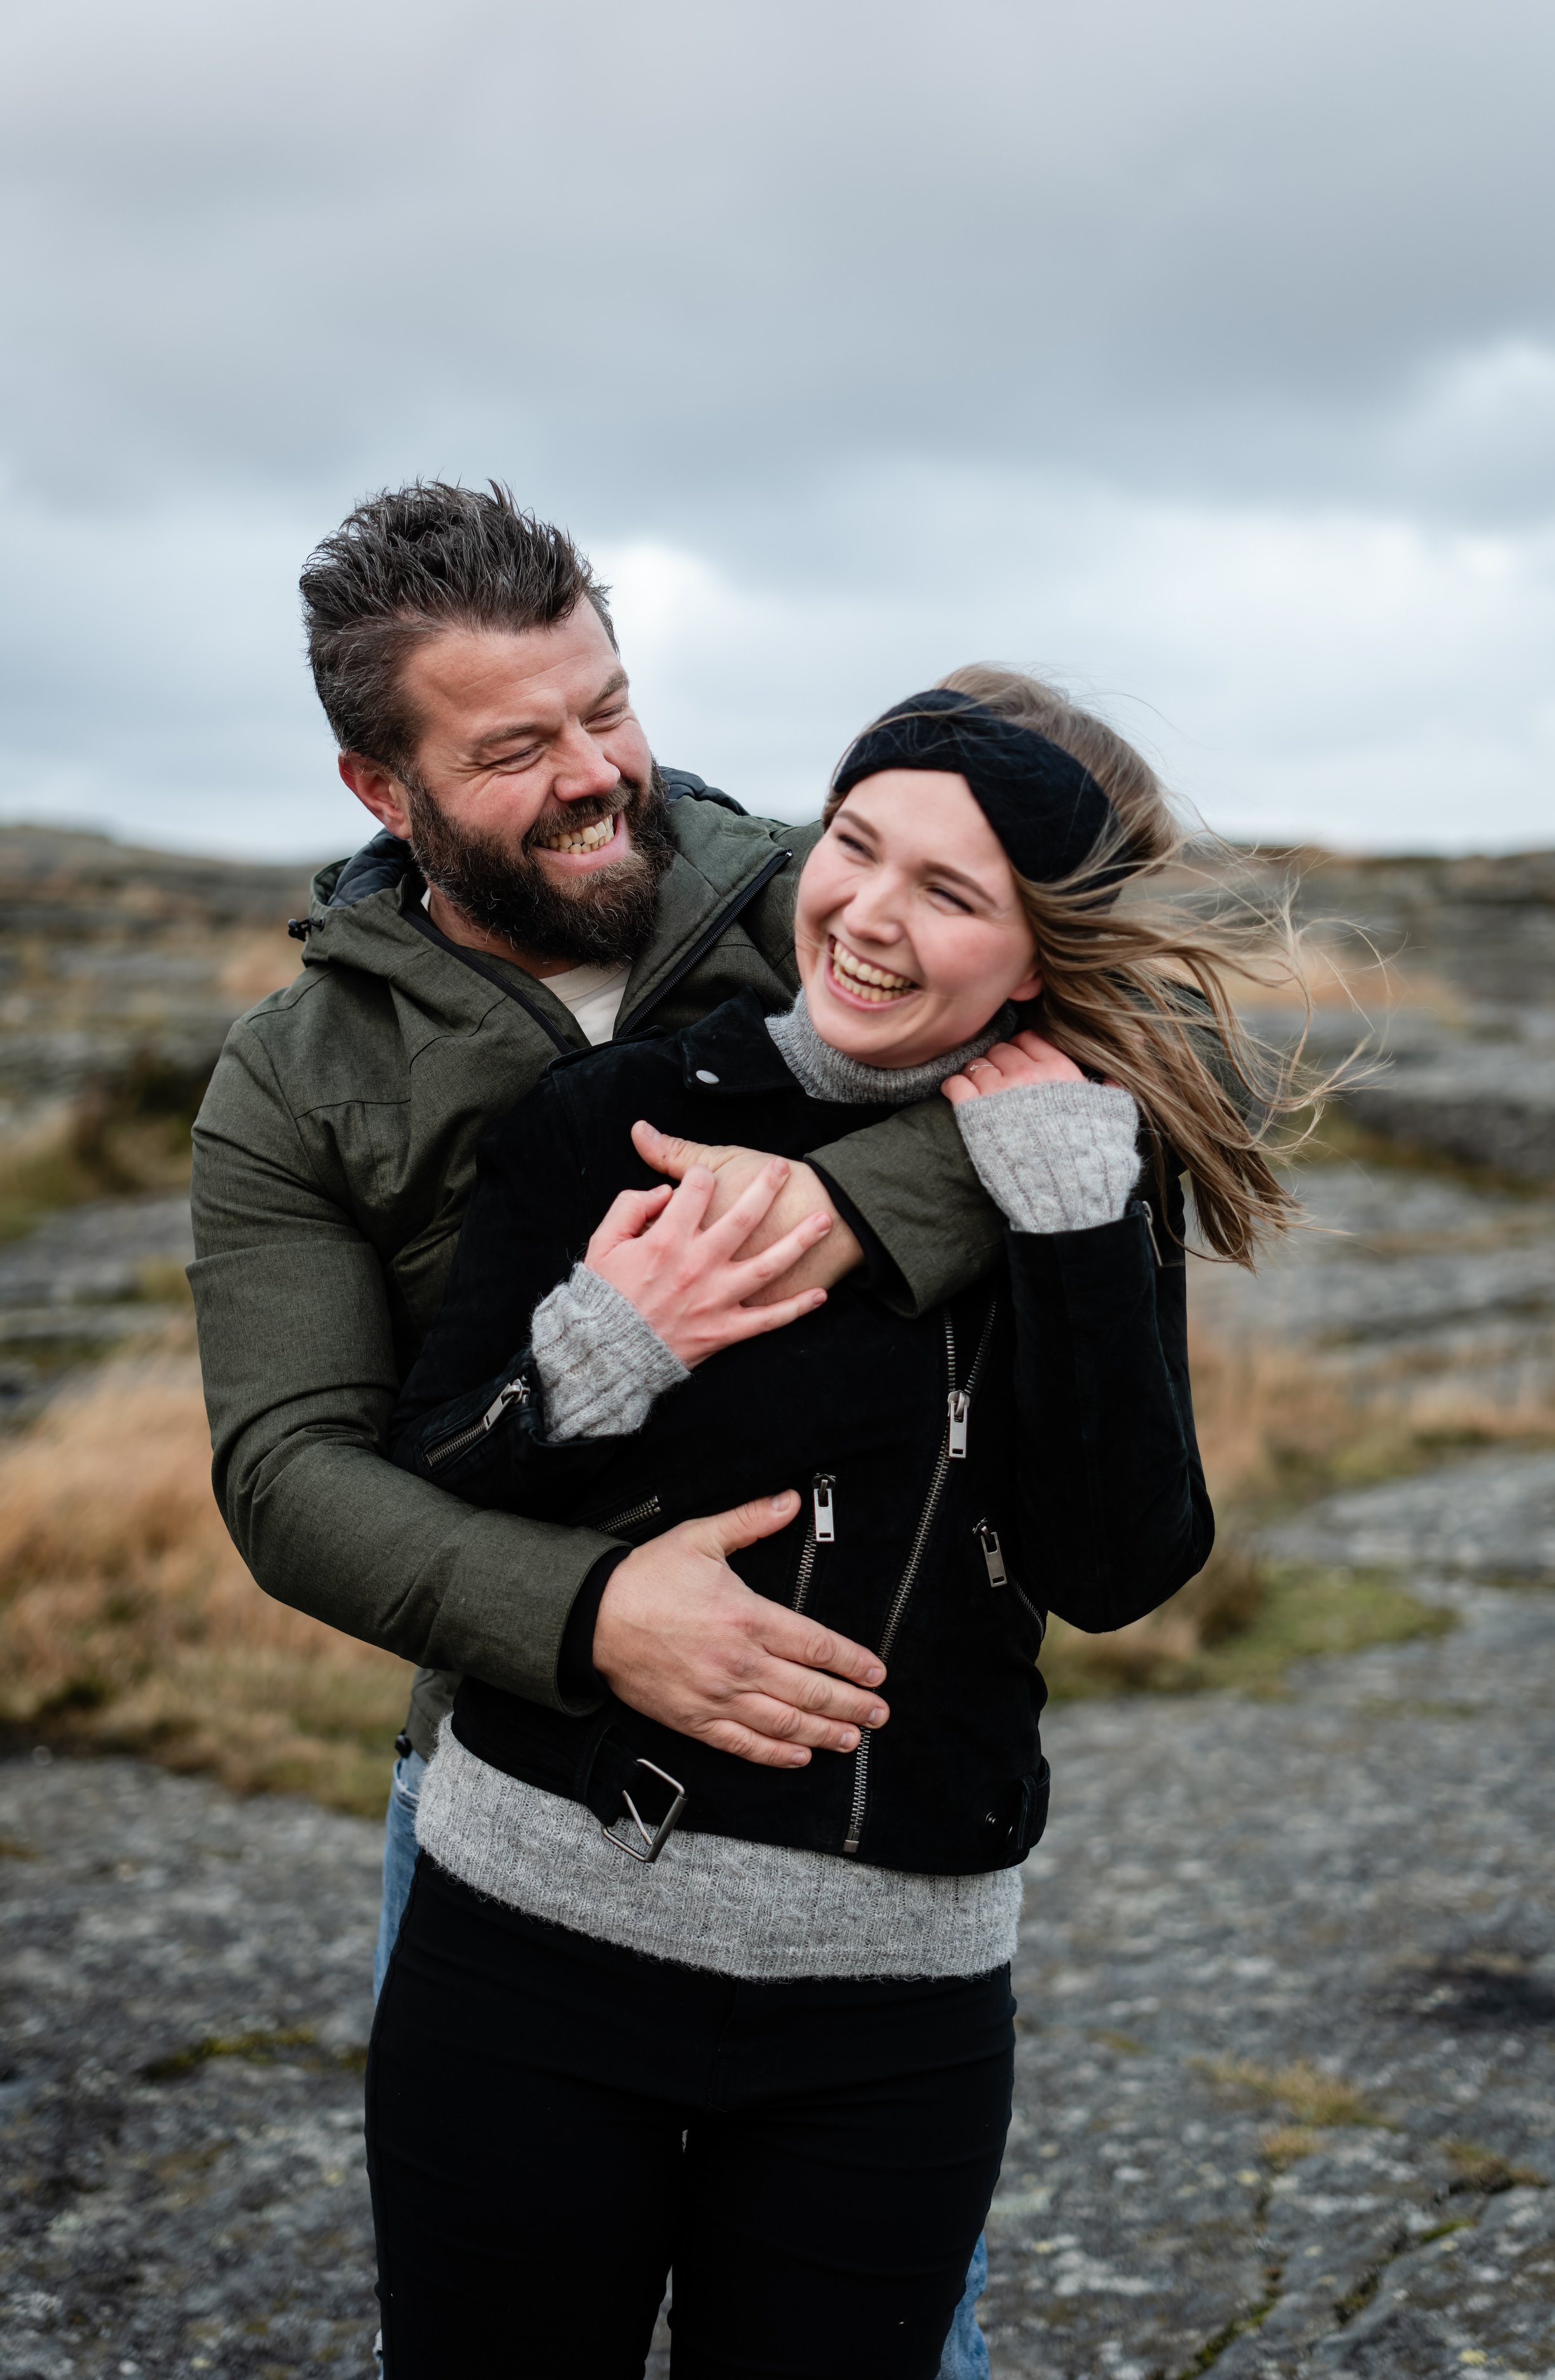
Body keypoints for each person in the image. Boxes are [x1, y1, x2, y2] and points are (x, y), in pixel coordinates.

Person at [189, 484, 1028, 2377]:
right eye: (514, 749)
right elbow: (288, 1475)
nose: (597, 777)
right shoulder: (297, 1075)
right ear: (376, 789)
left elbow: (1155, 1043)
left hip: (871, 1824)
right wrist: (591, 1615)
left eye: (609, 707)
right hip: (508, 1808)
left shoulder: (817, 893)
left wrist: (872, 1205)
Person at [373, 671, 1295, 2375]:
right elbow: (436, 1481)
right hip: (532, 1957)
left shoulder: (1080, 1168)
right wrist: (601, 1348)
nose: (868, 916)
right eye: (853, 847)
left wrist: (1078, 1233)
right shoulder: (610, 1119)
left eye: (947, 893)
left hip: (895, 2008)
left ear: (1037, 957)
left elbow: (1116, 1567)